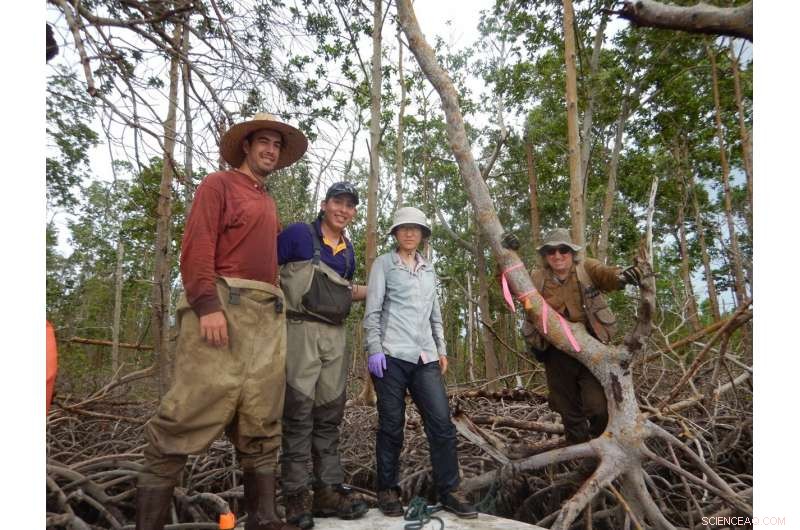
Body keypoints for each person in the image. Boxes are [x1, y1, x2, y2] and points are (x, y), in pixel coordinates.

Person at [136, 113, 308, 530]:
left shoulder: (266, 199)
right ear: (246, 147)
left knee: (261, 418)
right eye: (264, 142)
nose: (271, 150)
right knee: (186, 414)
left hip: (265, 317)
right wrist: (206, 303)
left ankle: (263, 518)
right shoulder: (219, 184)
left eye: (277, 146)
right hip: (223, 307)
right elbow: (198, 243)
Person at [363, 206, 478, 519]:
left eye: (416, 229)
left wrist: (441, 348)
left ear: (423, 235)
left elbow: (434, 313)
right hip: (390, 356)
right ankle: (387, 490)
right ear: (396, 234)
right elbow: (372, 311)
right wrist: (374, 349)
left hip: (424, 356)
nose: (410, 233)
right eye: (404, 229)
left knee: (441, 424)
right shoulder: (384, 265)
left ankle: (450, 490)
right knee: (391, 425)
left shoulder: (428, 269)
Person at [277, 181, 369, 529]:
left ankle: (328, 491)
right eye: (338, 203)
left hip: (336, 335)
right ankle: (296, 498)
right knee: (298, 413)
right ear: (325, 203)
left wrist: (381, 289)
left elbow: (344, 289)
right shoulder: (299, 234)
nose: (343, 210)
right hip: (299, 330)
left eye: (349, 205)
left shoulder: (348, 250)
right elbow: (264, 268)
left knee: (329, 415)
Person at [521, 228, 643, 445]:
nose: (557, 255)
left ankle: (601, 448)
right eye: (551, 251)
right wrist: (507, 250)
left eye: (563, 250)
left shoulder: (586, 267)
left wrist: (622, 277)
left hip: (590, 348)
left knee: (598, 408)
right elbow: (511, 282)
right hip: (555, 353)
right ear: (545, 256)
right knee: (569, 412)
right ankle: (580, 457)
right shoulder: (536, 277)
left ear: (572, 252)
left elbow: (608, 275)